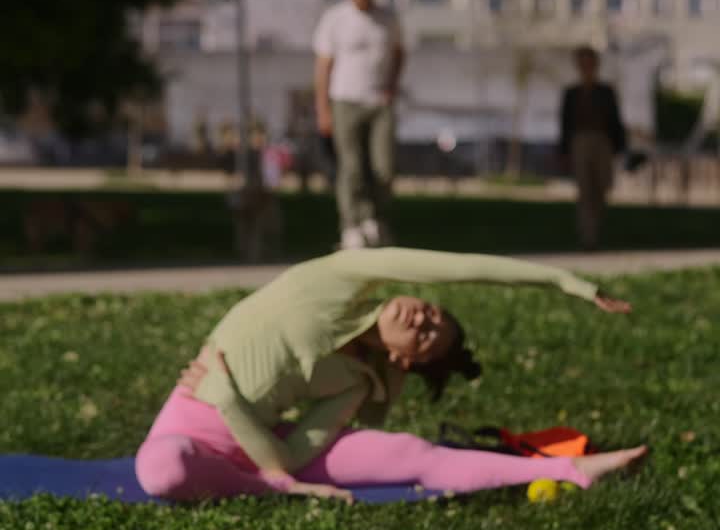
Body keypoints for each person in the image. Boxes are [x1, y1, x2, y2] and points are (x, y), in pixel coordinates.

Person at [134, 248, 646, 504]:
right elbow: (454, 266)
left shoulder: (355, 384)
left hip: (256, 441)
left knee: (410, 452)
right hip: (187, 430)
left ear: (405, 362)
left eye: (426, 336)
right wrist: (561, 279)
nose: (421, 319)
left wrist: (230, 403)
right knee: (161, 470)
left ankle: (573, 471)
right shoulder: (340, 279)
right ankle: (261, 491)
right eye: (430, 313)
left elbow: (285, 459)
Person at [313, 0, 404, 249]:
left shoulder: (387, 18)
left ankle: (374, 219)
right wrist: (323, 109)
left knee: (383, 166)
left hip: (378, 101)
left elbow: (400, 52)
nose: (362, 0)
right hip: (345, 100)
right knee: (351, 166)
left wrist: (392, 85)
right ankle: (351, 225)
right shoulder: (335, 19)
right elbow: (323, 66)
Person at [560, 46, 627, 250]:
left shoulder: (606, 92)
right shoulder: (571, 93)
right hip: (580, 142)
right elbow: (565, 122)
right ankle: (588, 237)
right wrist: (564, 150)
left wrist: (618, 147)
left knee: (601, 187)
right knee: (585, 190)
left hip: (603, 142)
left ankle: (595, 230)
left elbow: (616, 121)